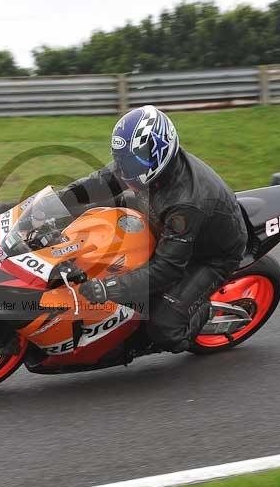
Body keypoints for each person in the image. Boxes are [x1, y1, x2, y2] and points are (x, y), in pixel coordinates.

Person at [58, 105, 248, 352]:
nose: (124, 169)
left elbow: (167, 269)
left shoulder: (185, 202)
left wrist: (109, 288)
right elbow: (99, 183)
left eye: (131, 160)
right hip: (163, 222)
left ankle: (203, 312)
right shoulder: (137, 165)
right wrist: (57, 201)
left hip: (209, 255)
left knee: (164, 328)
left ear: (159, 152)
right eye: (122, 159)